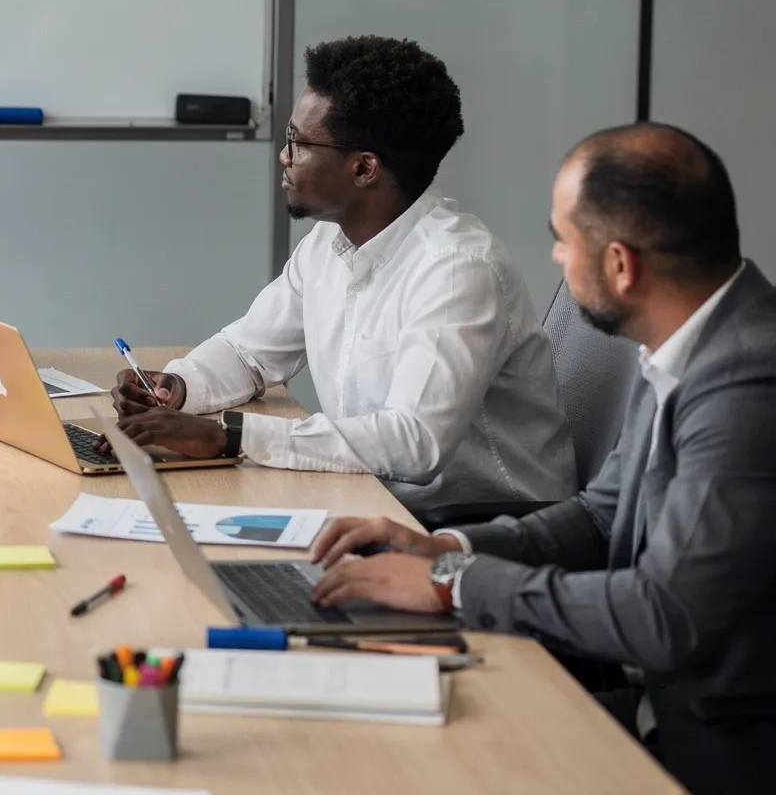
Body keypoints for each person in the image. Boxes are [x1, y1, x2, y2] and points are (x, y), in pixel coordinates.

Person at [308, 123, 774, 795]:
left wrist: (452, 584)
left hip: (714, 748)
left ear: (620, 264)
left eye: (563, 239)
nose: (555, 257)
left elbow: (664, 616)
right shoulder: (688, 341)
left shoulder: (747, 382)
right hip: (666, 709)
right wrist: (439, 545)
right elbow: (600, 516)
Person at [110, 36, 573, 515]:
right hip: (376, 497)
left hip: (482, 522)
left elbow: (415, 443)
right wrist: (174, 388)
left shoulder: (456, 270)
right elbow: (249, 352)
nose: (284, 156)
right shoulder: (329, 245)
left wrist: (231, 436)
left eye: (299, 142)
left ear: (364, 169)